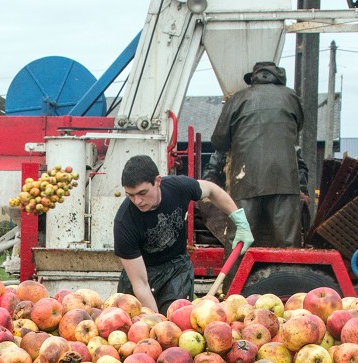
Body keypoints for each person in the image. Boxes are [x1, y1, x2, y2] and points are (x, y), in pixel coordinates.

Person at [114, 154, 250, 315]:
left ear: (157, 181)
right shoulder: (125, 222)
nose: (137, 201)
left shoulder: (178, 187)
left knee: (179, 321)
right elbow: (140, 284)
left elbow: (212, 190)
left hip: (176, 268)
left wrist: (239, 220)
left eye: (142, 193)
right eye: (130, 195)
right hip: (144, 272)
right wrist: (156, 322)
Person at [207, 60, 307, 248]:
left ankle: (232, 277)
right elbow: (298, 126)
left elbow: (219, 139)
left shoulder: (238, 98)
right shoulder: (291, 97)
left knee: (239, 239)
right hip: (285, 180)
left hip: (246, 180)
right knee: (288, 244)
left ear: (253, 79)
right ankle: (288, 277)